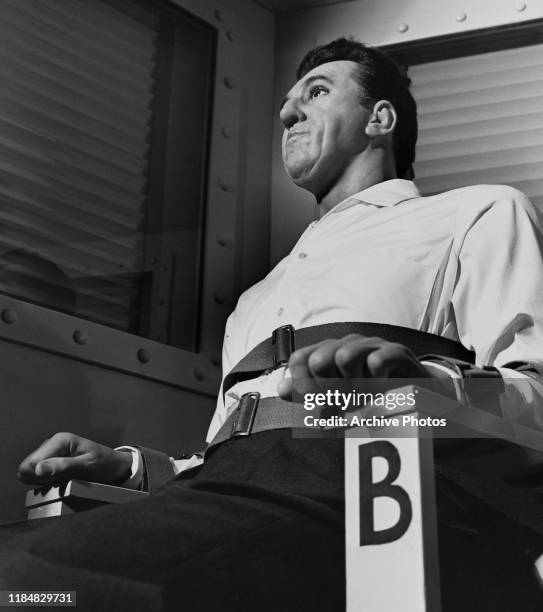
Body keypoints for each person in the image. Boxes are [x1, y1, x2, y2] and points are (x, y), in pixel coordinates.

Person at [2, 38, 543, 611]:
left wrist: (418, 392)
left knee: (33, 586)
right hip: (235, 493)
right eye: (286, 102)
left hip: (369, 493)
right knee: (26, 582)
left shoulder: (476, 213)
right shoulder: (255, 300)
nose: (287, 113)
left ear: (380, 119)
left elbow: (535, 397)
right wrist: (132, 468)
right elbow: (230, 455)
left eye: (316, 92)